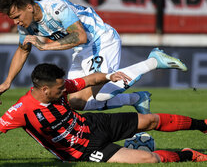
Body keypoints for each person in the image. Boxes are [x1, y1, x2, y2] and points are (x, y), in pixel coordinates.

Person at [0, 0, 187, 112]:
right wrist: (7, 82)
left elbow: (80, 36)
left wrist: (45, 46)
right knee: (74, 102)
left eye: (17, 16)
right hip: (81, 51)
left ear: (29, 7)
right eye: (12, 18)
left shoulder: (56, 8)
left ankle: (153, 61)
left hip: (101, 40)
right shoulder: (27, 25)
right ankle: (137, 99)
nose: (16, 22)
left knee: (101, 93)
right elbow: (23, 50)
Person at [0, 63, 207, 163]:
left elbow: (89, 80)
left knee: (150, 120)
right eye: (60, 89)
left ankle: (203, 125)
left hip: (93, 124)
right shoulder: (21, 110)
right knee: (149, 159)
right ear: (44, 90)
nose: (65, 90)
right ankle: (189, 154)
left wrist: (109, 76)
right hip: (84, 150)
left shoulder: (61, 87)